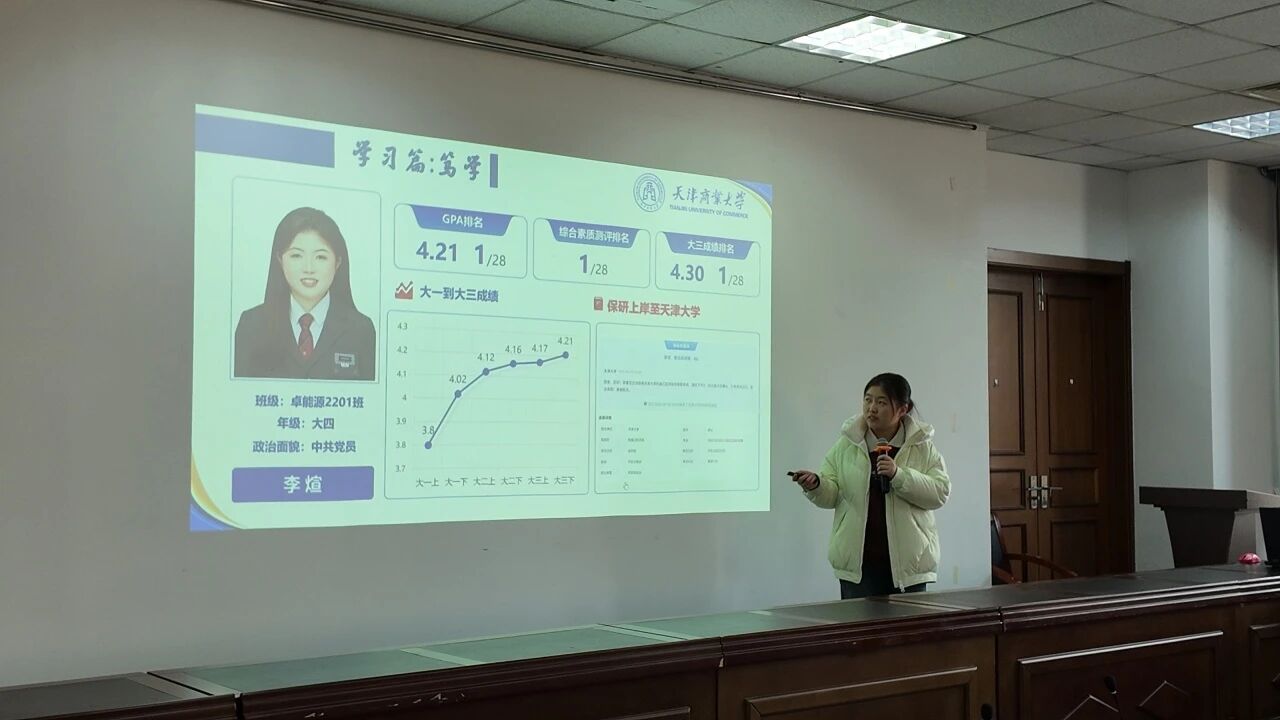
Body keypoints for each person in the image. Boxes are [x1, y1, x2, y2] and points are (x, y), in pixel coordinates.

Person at [790, 373, 949, 599]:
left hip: (908, 567)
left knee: (906, 624)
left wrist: (898, 475)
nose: (871, 408)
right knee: (858, 623)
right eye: (868, 400)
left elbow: (940, 492)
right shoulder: (848, 444)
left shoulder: (921, 446)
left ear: (902, 409)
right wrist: (816, 485)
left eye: (881, 402)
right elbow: (832, 494)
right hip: (859, 567)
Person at [234, 207, 375, 381]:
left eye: (320, 257)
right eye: (296, 256)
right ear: (280, 259)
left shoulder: (361, 330)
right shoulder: (252, 325)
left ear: (337, 262)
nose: (309, 268)